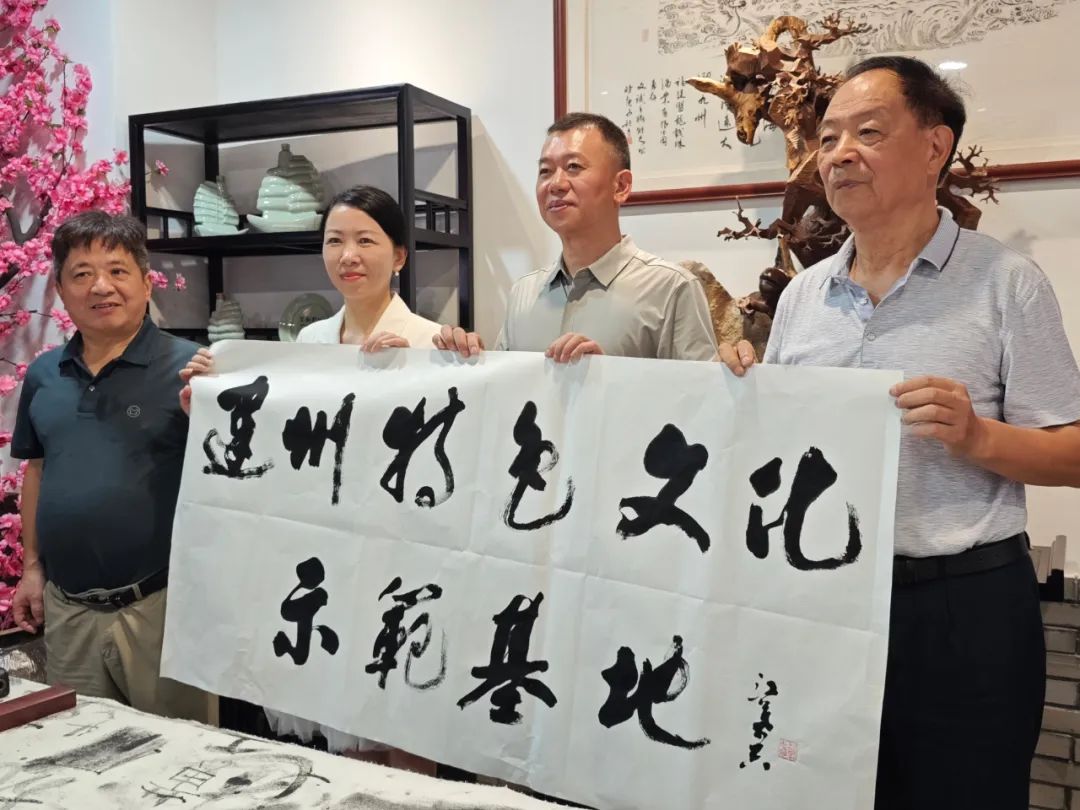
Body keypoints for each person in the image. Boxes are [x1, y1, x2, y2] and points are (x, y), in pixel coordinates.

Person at [717, 56, 1080, 809]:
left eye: (869, 133)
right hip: (823, 596)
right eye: (828, 138)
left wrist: (978, 437)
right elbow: (774, 452)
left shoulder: (1005, 282)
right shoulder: (804, 296)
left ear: (935, 147)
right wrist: (740, 391)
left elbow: (1073, 453)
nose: (839, 154)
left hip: (963, 606)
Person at [180, 185, 439, 773]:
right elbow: (278, 443)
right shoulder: (309, 342)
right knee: (343, 715)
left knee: (401, 712)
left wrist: (421, 369)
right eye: (334, 241)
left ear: (399, 255)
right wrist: (212, 406)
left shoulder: (431, 340)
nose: (348, 255)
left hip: (402, 550)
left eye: (366, 240)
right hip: (326, 549)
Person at [10, 211, 211, 723]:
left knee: (181, 754)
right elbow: (38, 470)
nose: (101, 286)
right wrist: (31, 568)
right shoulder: (44, 374)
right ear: (60, 289)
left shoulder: (194, 370)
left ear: (146, 282)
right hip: (68, 610)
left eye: (118, 271)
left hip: (162, 608)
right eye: (82, 274)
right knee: (80, 749)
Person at [434, 112, 717, 362]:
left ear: (621, 186)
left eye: (573, 167)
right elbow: (508, 392)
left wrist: (610, 379)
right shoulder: (523, 292)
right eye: (545, 171)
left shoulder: (671, 289)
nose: (555, 184)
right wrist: (469, 359)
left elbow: (698, 398)